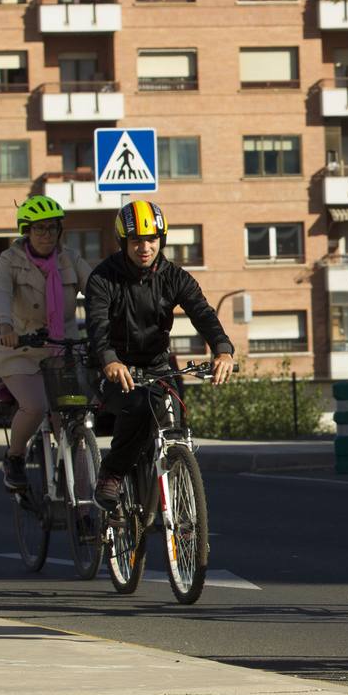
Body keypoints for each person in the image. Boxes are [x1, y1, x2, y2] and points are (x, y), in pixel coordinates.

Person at [84, 201, 236, 509]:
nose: (145, 247)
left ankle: (179, 502)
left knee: (175, 420)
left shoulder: (174, 277)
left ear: (161, 240)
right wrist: (110, 360)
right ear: (124, 241)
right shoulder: (103, 278)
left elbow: (202, 313)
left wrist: (222, 349)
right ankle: (112, 473)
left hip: (157, 366)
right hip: (114, 368)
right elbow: (97, 325)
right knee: (138, 408)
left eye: (152, 239)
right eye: (136, 240)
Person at [0, 196, 93, 494]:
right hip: (21, 349)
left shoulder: (70, 259)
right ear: (26, 231)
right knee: (35, 407)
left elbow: (99, 290)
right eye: (39, 229)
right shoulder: (9, 260)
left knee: (73, 417)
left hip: (64, 349)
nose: (46, 235)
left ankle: (78, 495)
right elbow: (0, 294)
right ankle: (15, 458)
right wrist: (5, 326)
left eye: (52, 228)